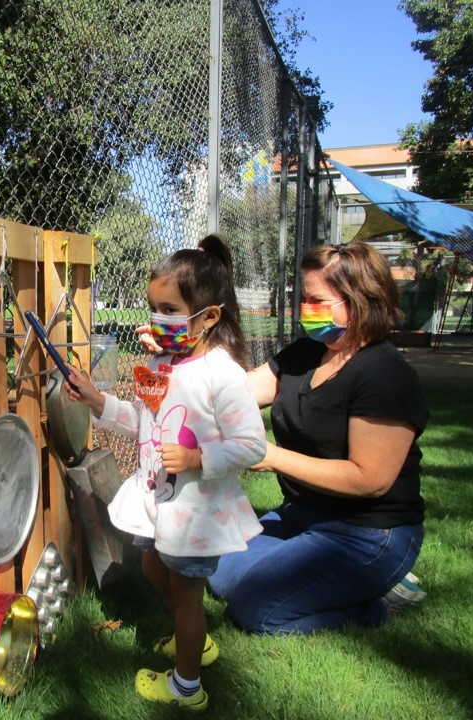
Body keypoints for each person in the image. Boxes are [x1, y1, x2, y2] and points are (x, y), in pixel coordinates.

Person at [64, 234, 267, 712]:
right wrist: (98, 402)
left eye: (170, 309)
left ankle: (186, 687)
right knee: (155, 568)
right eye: (153, 307)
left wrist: (201, 459)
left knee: (186, 592)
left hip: (195, 511)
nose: (157, 320)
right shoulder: (160, 363)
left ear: (209, 316)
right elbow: (142, 419)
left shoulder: (222, 374)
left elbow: (253, 444)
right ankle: (192, 639)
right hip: (160, 500)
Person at [188, 241, 428, 635]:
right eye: (304, 298)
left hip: (368, 533)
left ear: (359, 301)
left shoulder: (386, 375)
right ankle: (319, 574)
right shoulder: (308, 352)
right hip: (301, 515)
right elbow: (241, 391)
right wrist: (181, 361)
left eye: (317, 300)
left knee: (256, 609)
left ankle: (379, 601)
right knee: (218, 573)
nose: (306, 309)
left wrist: (272, 457)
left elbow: (370, 479)